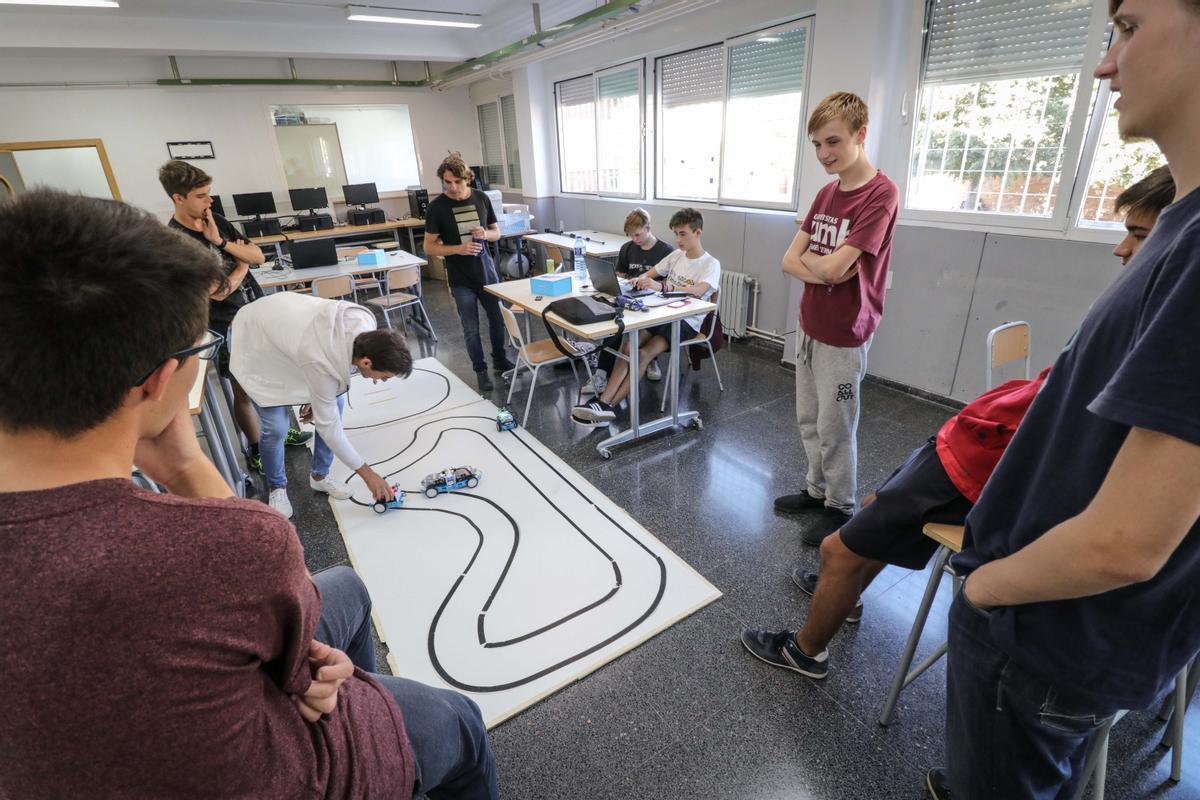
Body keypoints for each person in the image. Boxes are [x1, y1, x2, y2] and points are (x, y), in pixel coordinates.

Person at [0, 189, 497, 799]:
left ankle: (361, 687)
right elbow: (291, 654)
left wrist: (183, 466)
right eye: (195, 352)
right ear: (161, 379)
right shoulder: (237, 540)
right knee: (460, 723)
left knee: (345, 587)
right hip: (280, 772)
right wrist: (187, 465)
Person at [740, 166, 1176, 682]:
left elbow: (830, 269)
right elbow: (797, 262)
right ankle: (845, 583)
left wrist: (984, 590)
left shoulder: (1160, 336)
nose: (1121, 249)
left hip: (980, 459)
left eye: (1140, 236)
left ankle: (805, 649)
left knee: (839, 532)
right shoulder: (1144, 310)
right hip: (974, 441)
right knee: (868, 489)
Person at [926, 0, 1200, 795]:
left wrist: (981, 592)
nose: (1104, 63)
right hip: (1052, 625)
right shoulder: (1176, 227)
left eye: (1128, 26)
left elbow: (1126, 542)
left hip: (1043, 634)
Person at [775, 91, 900, 543]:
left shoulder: (881, 194)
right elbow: (791, 260)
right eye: (817, 145)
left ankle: (840, 505)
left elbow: (820, 265)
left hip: (845, 334)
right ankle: (815, 489)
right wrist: (825, 271)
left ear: (860, 135)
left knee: (836, 423)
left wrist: (821, 267)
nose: (824, 155)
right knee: (809, 417)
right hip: (811, 323)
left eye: (833, 142)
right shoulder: (827, 192)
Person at [157, 160, 311, 475]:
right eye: (201, 195)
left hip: (258, 310)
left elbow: (259, 255)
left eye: (209, 194)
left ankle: (283, 430)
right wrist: (242, 265)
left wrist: (221, 243)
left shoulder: (217, 221)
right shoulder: (175, 242)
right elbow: (219, 291)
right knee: (244, 389)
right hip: (225, 324)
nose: (209, 201)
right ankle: (256, 448)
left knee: (276, 372)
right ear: (178, 198)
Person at [230, 292, 411, 518]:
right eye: (383, 376)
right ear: (366, 361)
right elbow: (328, 423)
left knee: (335, 404)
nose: (381, 380)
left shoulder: (366, 328)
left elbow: (322, 365)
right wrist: (368, 474)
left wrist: (315, 396)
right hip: (257, 340)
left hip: (291, 334)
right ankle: (277, 487)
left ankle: (319, 476)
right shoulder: (317, 358)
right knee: (276, 427)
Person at [571, 208, 719, 425]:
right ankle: (602, 400)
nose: (678, 239)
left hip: (686, 322)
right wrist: (638, 280)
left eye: (683, 234)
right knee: (628, 348)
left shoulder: (710, 264)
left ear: (698, 233)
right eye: (676, 234)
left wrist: (662, 285)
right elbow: (651, 273)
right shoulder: (677, 255)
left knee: (642, 355)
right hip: (663, 314)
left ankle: (608, 407)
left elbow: (699, 291)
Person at [423, 153, 514, 393]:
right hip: (460, 277)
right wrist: (458, 249)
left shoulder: (481, 198)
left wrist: (485, 234)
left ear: (467, 179)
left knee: (497, 321)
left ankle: (500, 359)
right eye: (447, 182)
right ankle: (480, 370)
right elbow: (428, 247)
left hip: (487, 273)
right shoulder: (437, 208)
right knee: (471, 328)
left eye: (457, 182)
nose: (452, 187)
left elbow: (497, 233)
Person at [581, 207, 676, 398]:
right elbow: (620, 276)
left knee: (645, 326)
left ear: (649, 228)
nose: (635, 239)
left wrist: (652, 285)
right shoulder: (627, 248)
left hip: (653, 301)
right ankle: (601, 373)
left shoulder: (666, 251)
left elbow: (669, 285)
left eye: (638, 235)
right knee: (614, 326)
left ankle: (650, 359)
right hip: (628, 297)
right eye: (631, 236)